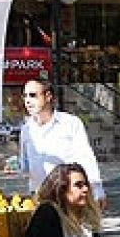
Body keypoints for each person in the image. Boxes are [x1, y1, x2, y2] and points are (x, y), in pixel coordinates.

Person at [19, 78, 106, 210]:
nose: (27, 101)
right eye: (25, 96)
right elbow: (25, 165)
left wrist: (97, 190)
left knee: (76, 230)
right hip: (41, 198)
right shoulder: (26, 130)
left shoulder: (70, 123)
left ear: (48, 96)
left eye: (33, 95)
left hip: (68, 195)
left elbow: (86, 157)